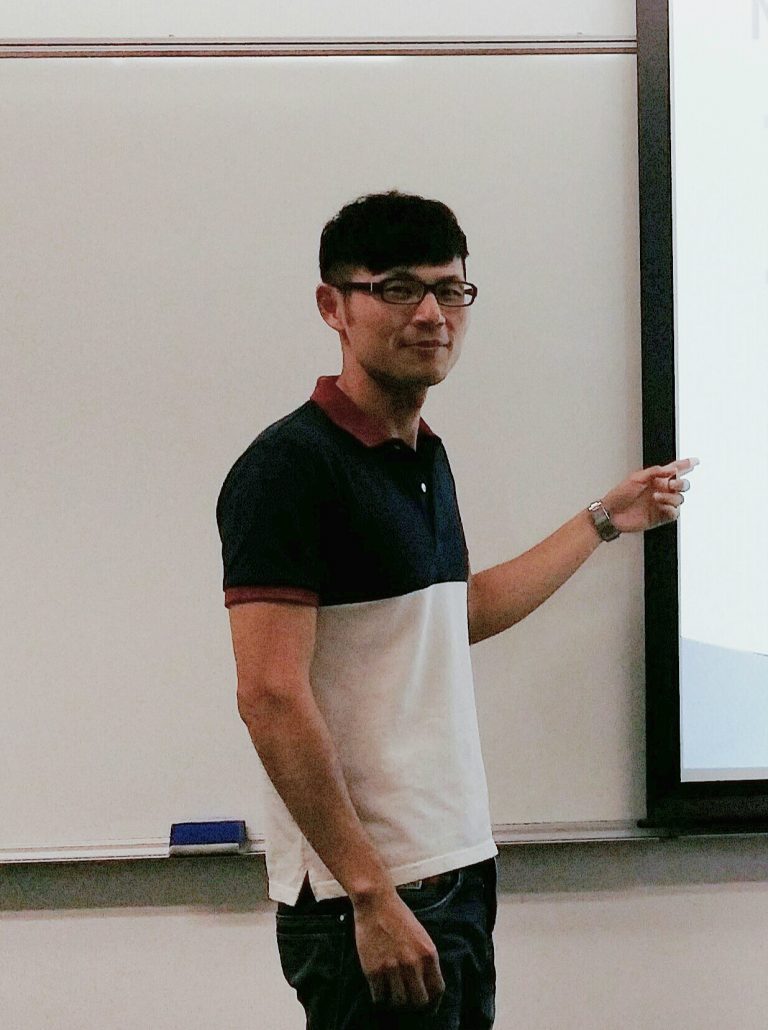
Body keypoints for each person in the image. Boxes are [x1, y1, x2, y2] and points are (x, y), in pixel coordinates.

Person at [216, 190, 697, 1028]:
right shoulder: (289, 469)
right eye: (398, 289)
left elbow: (456, 615)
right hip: (371, 894)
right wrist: (370, 893)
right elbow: (269, 695)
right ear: (333, 306)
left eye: (450, 289)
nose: (432, 314)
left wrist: (602, 521)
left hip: (455, 871)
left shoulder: (421, 453)